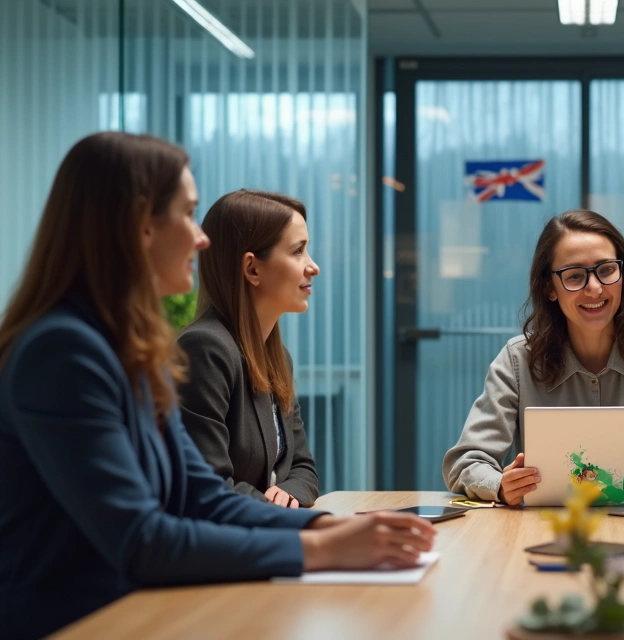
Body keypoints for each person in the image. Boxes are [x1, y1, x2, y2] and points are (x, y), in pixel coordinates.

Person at [0, 133, 435, 639]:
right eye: (187, 215)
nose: (201, 238)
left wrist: (325, 526)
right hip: (78, 623)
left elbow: (202, 495)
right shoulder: (62, 352)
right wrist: (317, 549)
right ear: (139, 227)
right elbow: (142, 539)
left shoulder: (130, 350)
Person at [443, 209, 624, 505]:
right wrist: (500, 485)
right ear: (550, 287)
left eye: (607, 270)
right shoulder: (517, 360)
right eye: (574, 276)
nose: (595, 288)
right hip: (547, 532)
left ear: (622, 275)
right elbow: (465, 463)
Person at [178, 190, 321, 508]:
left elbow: (303, 470)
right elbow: (208, 487)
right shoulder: (204, 350)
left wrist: (289, 495)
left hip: (259, 534)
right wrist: (275, 508)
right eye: (298, 251)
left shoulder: (277, 356)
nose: (313, 267)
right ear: (252, 270)